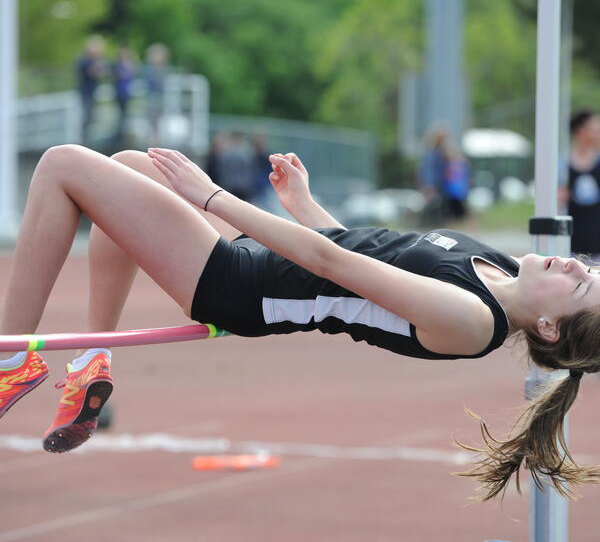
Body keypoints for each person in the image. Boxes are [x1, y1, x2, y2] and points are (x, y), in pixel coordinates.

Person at [0, 144, 599, 502]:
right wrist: (305, 205)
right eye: (588, 268)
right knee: (131, 166)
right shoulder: (492, 267)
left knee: (62, 166)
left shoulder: (472, 319)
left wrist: (212, 196)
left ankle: (8, 361)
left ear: (547, 326)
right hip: (264, 261)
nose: (573, 262)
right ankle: (93, 364)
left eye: (578, 283)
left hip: (243, 287)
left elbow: (329, 262)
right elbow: (367, 254)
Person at [560, 109, 600, 260]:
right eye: (593, 126)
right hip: (571, 245)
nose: (597, 130)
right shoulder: (562, 165)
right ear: (580, 131)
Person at [75, 35, 107, 143]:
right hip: (86, 93)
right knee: (86, 118)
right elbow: (95, 73)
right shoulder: (85, 61)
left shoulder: (93, 61)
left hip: (92, 93)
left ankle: (87, 141)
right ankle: (83, 142)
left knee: (91, 118)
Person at [112, 44, 137, 146]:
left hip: (126, 93)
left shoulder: (128, 65)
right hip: (120, 93)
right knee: (121, 114)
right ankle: (120, 136)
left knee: (125, 114)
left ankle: (123, 134)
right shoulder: (118, 66)